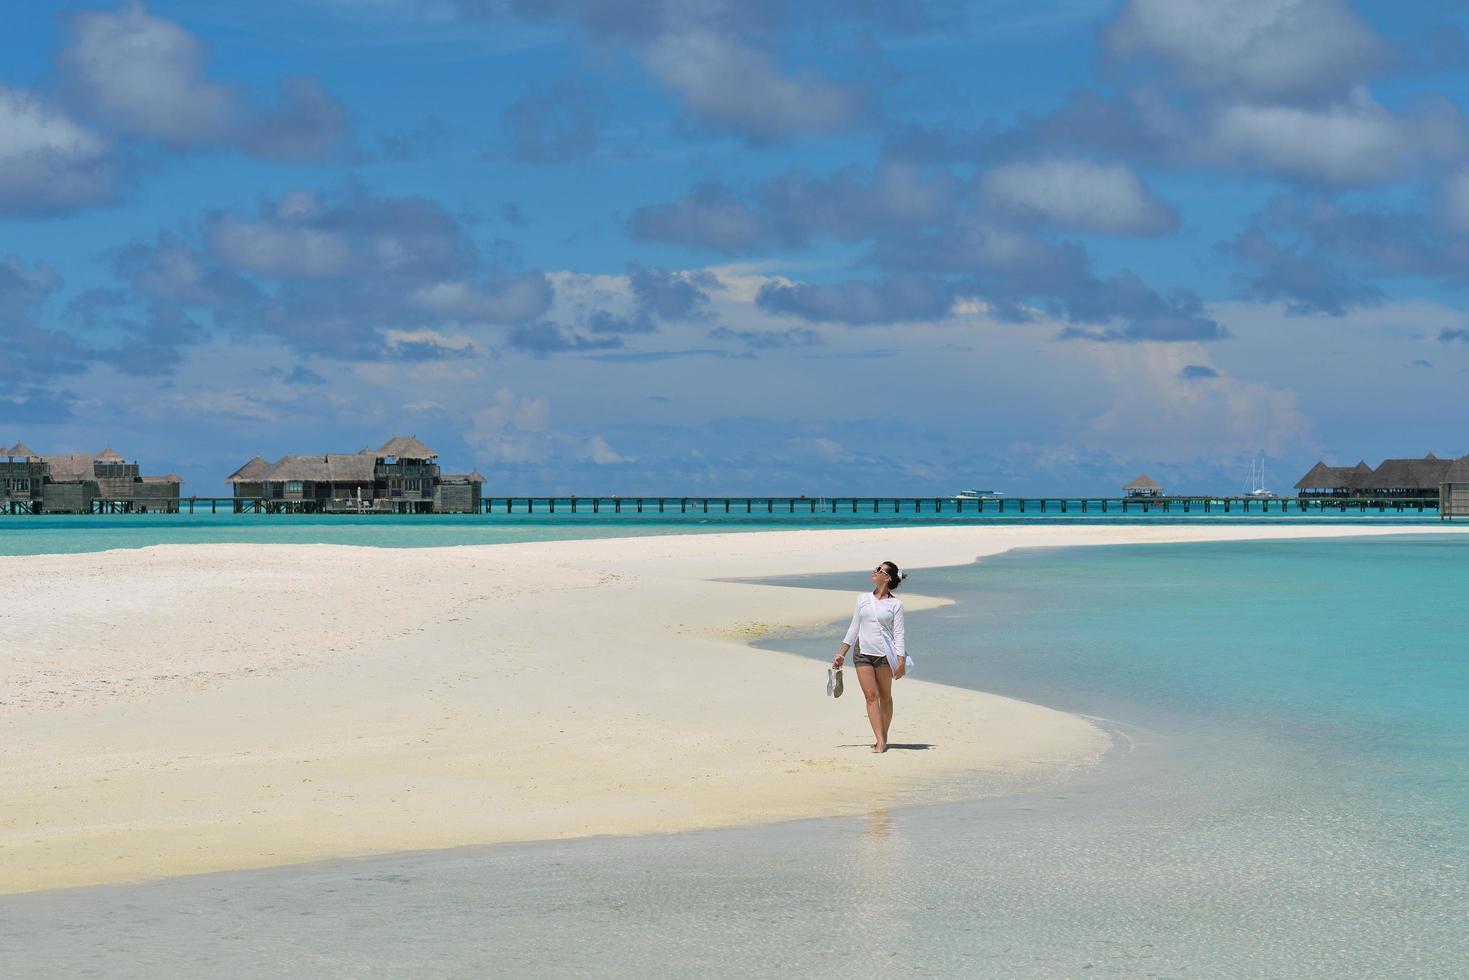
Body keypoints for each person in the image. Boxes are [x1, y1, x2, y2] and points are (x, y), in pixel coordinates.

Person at [831, 561, 908, 753]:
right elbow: (854, 627)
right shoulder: (863, 598)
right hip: (862, 653)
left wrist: (901, 661)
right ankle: (880, 740)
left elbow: (899, 633)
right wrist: (842, 654)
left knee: (885, 696)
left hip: (884, 655)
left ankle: (885, 735)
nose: (874, 571)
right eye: (876, 568)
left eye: (879, 570)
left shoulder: (895, 604)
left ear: (887, 578)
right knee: (870, 696)